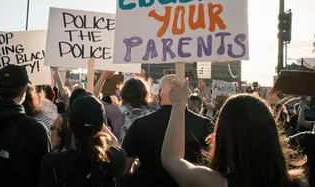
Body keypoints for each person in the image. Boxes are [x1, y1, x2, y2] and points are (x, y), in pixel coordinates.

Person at [162, 78, 307, 187]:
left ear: (222, 135)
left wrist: (179, 106)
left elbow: (170, 159)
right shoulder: (297, 182)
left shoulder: (215, 182)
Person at [122, 74, 213, 186]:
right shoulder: (205, 125)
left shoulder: (140, 124)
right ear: (186, 94)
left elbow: (124, 168)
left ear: (159, 94)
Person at [40, 93, 126, 187]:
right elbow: (116, 144)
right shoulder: (116, 158)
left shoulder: (52, 162)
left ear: (69, 124)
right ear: (101, 127)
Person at [94, 71, 155, 143]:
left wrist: (103, 76)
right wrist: (142, 79)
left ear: (122, 92)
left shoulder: (116, 111)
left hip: (121, 152)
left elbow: (94, 101)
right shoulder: (152, 113)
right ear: (145, 94)